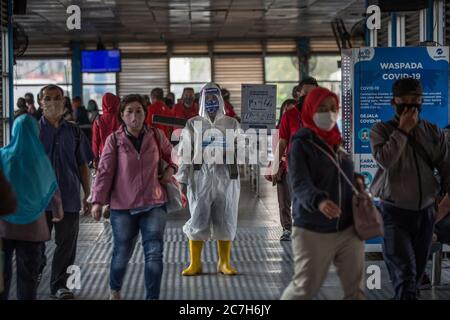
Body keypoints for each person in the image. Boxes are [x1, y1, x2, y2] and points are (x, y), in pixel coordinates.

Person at [281, 87, 365, 300]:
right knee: (305, 288)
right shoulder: (301, 143)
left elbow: (340, 173)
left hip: (347, 227)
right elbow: (299, 182)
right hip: (313, 229)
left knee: (355, 290)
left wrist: (356, 180)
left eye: (332, 108)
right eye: (322, 108)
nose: (329, 113)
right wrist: (319, 201)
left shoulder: (336, 140)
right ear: (310, 109)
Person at [90, 94, 177, 300]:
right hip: (122, 207)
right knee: (122, 252)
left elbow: (174, 155)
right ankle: (115, 288)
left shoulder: (156, 135)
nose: (134, 115)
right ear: (122, 115)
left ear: (145, 114)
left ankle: (152, 297)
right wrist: (97, 201)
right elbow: (105, 171)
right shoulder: (114, 140)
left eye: (139, 110)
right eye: (129, 111)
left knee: (154, 253)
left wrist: (171, 170)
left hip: (154, 203)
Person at [370, 78, 450, 300]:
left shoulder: (433, 132)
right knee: (405, 276)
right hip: (393, 213)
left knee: (413, 280)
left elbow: (446, 167)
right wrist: (403, 130)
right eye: (404, 101)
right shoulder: (381, 130)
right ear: (393, 102)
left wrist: (442, 202)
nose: (410, 106)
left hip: (425, 213)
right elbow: (385, 160)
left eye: (415, 101)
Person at [177, 83, 240, 277]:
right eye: (208, 99)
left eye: (215, 99)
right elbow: (184, 153)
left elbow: (244, 150)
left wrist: (240, 149)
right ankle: (195, 263)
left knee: (226, 217)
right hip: (200, 177)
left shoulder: (231, 123)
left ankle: (224, 262)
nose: (211, 103)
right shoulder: (193, 123)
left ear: (220, 100)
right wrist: (182, 180)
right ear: (202, 101)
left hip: (226, 178)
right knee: (198, 216)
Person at [0, 114, 64, 300]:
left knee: (2, 275)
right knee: (28, 276)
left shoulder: (3, 155)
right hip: (32, 228)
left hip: (4, 226)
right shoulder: (40, 160)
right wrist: (58, 210)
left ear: (14, 131)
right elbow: (52, 187)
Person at [38, 84, 93, 300]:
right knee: (35, 245)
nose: (53, 102)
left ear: (64, 101)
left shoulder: (75, 131)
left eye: (57, 98)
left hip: (68, 197)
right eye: (48, 98)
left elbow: (82, 166)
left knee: (67, 245)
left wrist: (88, 194)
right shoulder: (32, 131)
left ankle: (60, 285)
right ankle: (35, 271)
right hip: (39, 200)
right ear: (41, 102)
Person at [272, 77, 319, 241]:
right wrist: (275, 166)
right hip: (294, 166)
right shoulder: (289, 115)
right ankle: (289, 229)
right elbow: (283, 141)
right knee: (291, 199)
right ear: (298, 94)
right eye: (305, 93)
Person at [271, 99, 298, 241]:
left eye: (291, 110)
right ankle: (287, 228)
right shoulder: (277, 130)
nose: (288, 112)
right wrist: (276, 165)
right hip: (283, 168)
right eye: (286, 110)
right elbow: (276, 148)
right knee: (284, 201)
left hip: (297, 167)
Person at [91, 93, 120, 169]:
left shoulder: (98, 120)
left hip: (104, 155)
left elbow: (95, 141)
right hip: (120, 154)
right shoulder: (121, 119)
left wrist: (95, 158)